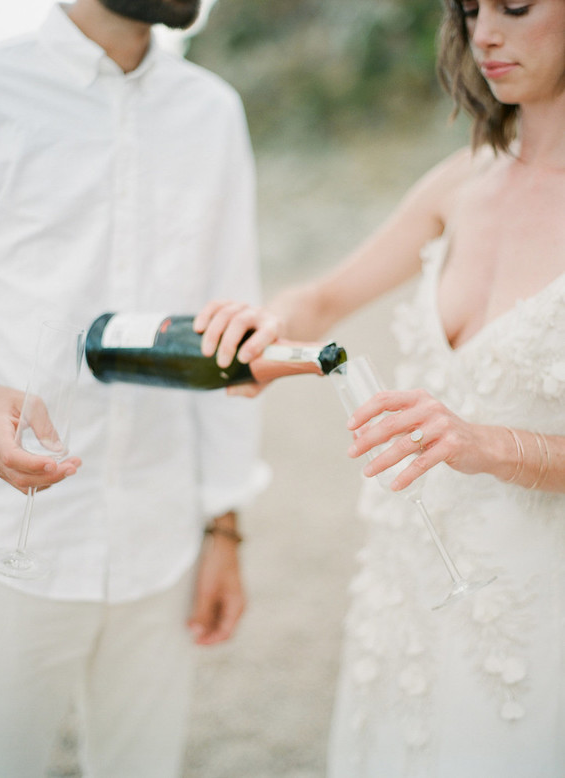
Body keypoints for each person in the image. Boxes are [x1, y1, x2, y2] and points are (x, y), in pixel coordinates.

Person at [194, 0, 565, 774]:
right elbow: (323, 297)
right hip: (406, 591)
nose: (484, 34)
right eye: (469, 10)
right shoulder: (461, 180)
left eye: (515, 6)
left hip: (541, 595)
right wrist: (266, 324)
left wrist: (489, 443)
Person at [0, 1, 267, 775]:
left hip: (161, 540)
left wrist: (224, 529)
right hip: (11, 543)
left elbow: (227, 326)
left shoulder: (212, 112)